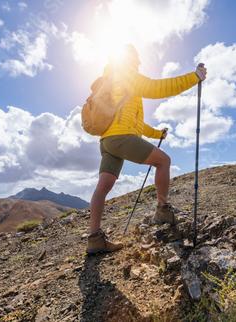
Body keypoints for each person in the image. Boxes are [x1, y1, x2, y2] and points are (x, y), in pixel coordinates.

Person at [86, 45, 207, 255]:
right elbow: (157, 88)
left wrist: (157, 134)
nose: (137, 62)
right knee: (163, 161)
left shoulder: (110, 82)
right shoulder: (126, 76)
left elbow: (136, 125)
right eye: (135, 59)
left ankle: (94, 239)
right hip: (121, 138)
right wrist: (194, 77)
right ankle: (162, 210)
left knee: (103, 186)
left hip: (107, 141)